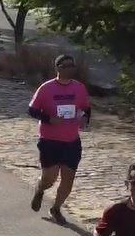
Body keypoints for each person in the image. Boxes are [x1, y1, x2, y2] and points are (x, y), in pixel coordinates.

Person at [28, 54, 91, 225]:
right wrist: (49, 119)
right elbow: (32, 110)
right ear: (58, 68)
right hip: (50, 140)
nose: (70, 69)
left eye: (72, 66)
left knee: (68, 177)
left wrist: (85, 118)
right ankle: (40, 189)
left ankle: (56, 208)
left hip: (71, 140)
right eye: (66, 66)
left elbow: (85, 108)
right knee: (50, 178)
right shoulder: (46, 88)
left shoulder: (79, 88)